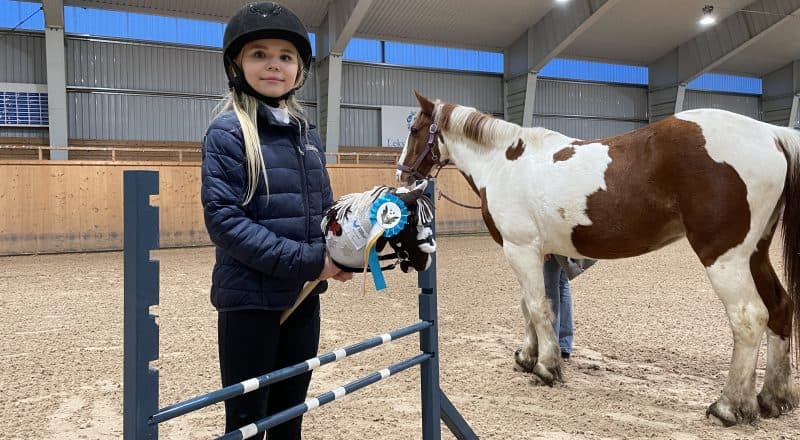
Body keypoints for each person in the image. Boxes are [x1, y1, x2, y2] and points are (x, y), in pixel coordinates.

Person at [201, 2, 351, 438]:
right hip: (249, 304)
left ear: (299, 69)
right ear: (237, 64)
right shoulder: (227, 133)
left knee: (290, 417)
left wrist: (350, 244)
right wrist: (312, 262)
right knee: (246, 423)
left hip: (304, 298)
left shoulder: (308, 135)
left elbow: (324, 211)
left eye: (285, 56)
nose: (273, 65)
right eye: (259, 54)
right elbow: (226, 222)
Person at [543, 255, 574, 360]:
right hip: (565, 246)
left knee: (550, 285)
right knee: (562, 282)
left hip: (554, 243)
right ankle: (564, 344)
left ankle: (551, 346)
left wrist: (546, 247)